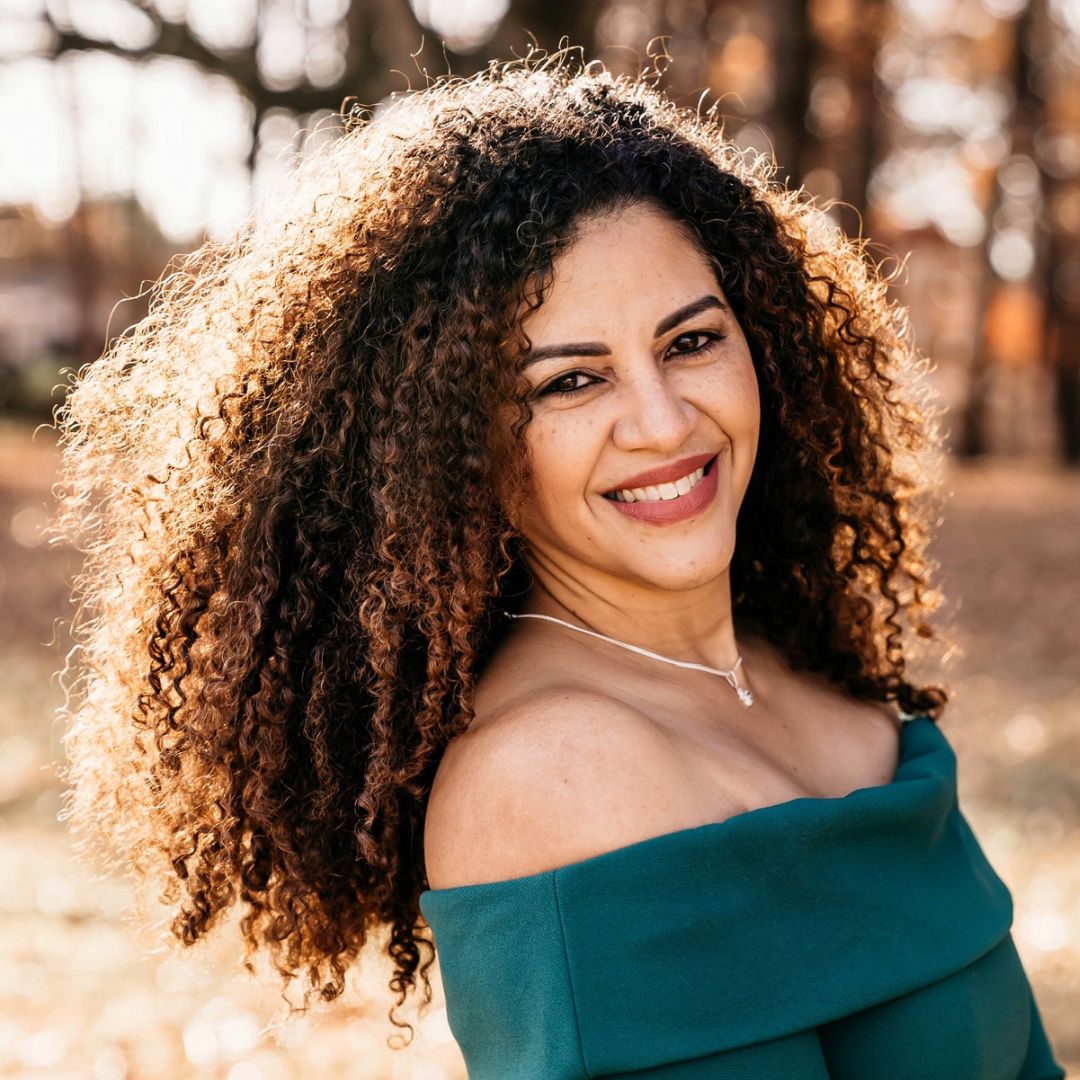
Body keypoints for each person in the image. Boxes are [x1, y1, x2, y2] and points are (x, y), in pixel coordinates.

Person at [50, 50, 1065, 1078]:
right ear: (454, 450)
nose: (664, 422)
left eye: (690, 342)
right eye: (572, 381)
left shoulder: (846, 704)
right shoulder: (553, 776)